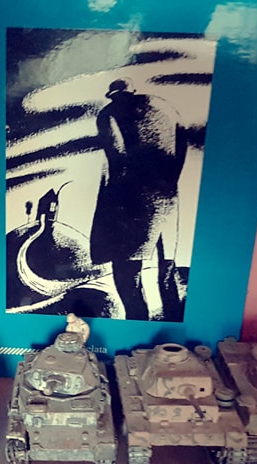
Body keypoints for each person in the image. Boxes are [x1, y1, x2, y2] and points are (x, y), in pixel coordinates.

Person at [89, 79, 187, 321]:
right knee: (167, 272)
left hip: (130, 202)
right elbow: (181, 149)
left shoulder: (109, 114)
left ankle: (136, 326)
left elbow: (118, 160)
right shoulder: (165, 108)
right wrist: (167, 184)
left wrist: (112, 213)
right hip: (167, 197)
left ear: (114, 95)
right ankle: (171, 327)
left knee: (127, 275)